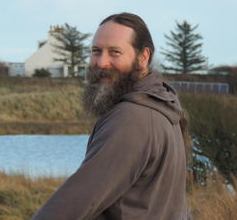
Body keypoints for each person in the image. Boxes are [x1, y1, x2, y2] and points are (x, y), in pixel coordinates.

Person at [32, 12, 191, 220]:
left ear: (143, 57)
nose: (102, 62)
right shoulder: (161, 106)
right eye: (96, 51)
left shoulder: (133, 118)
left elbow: (76, 201)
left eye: (115, 52)